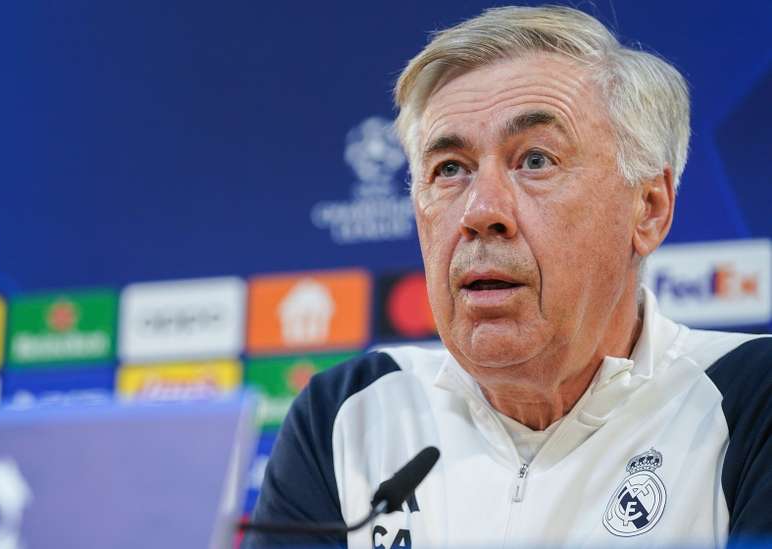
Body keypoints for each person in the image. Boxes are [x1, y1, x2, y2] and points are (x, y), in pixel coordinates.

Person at [243, 5, 772, 548]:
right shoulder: (347, 415)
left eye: (536, 160)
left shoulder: (752, 400)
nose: (480, 210)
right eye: (449, 169)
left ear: (649, 208)